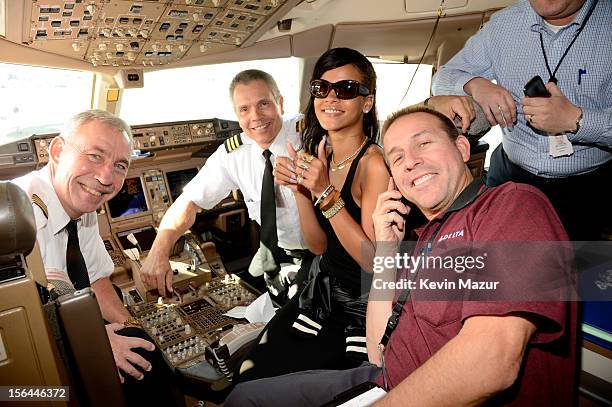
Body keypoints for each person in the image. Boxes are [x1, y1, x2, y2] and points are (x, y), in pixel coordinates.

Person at [225, 106, 577, 406]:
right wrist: (387, 251)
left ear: (461, 147)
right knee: (244, 399)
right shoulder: (416, 239)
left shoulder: (511, 205)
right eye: (396, 157)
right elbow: (379, 350)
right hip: (384, 379)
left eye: (423, 143)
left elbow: (493, 362)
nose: (411, 162)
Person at [231, 48, 477, 385]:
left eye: (346, 89)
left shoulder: (373, 164)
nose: (331, 98)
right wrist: (300, 190)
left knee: (275, 384)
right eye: (322, 88)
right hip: (320, 291)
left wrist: (324, 194)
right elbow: (318, 247)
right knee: (252, 371)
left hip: (359, 304)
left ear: (366, 101)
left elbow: (371, 262)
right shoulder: (322, 153)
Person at [11, 110, 176, 404]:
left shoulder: (81, 207)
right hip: (20, 378)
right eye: (95, 156)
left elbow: (97, 280)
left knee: (148, 353)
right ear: (58, 152)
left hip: (64, 319)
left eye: (120, 165)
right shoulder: (19, 218)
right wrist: (95, 342)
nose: (105, 178)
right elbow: (19, 322)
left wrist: (136, 327)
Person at [431, 0, 612, 241]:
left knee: (571, 272)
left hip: (587, 190)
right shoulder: (503, 25)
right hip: (509, 175)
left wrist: (576, 120)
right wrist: (475, 84)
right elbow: (443, 77)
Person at [140, 69, 310, 304]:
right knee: (244, 305)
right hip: (274, 252)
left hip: (320, 252)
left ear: (280, 103)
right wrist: (159, 250)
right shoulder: (233, 154)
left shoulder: (309, 133)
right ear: (237, 115)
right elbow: (189, 202)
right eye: (244, 109)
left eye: (264, 104)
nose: (256, 116)